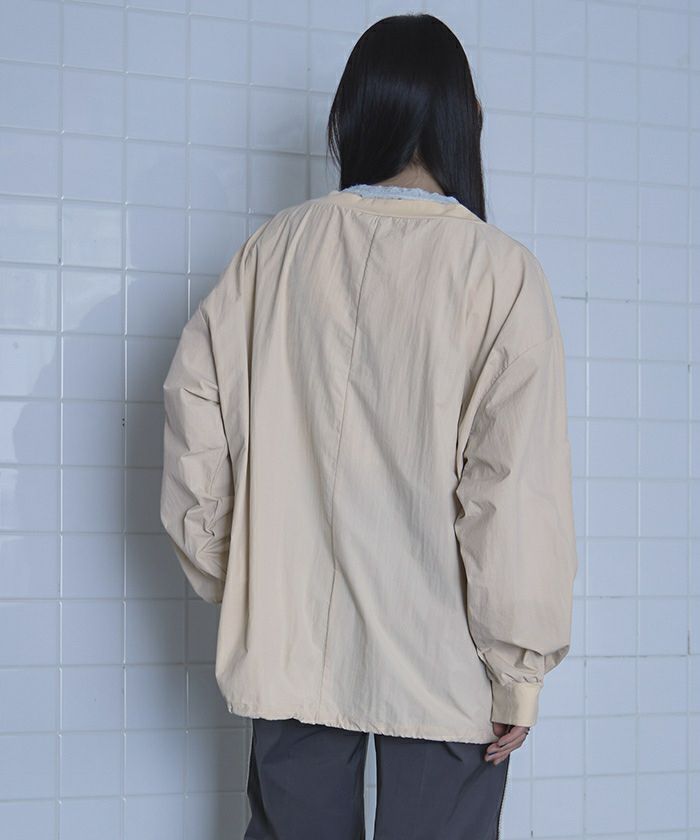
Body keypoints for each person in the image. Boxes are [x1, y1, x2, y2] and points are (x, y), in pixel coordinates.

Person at [159, 12, 578, 840]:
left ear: (351, 117)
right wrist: (518, 671)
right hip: (445, 657)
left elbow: (192, 411)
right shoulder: (500, 273)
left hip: (292, 645)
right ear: (465, 119)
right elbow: (515, 493)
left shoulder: (272, 253)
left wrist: (245, 575)